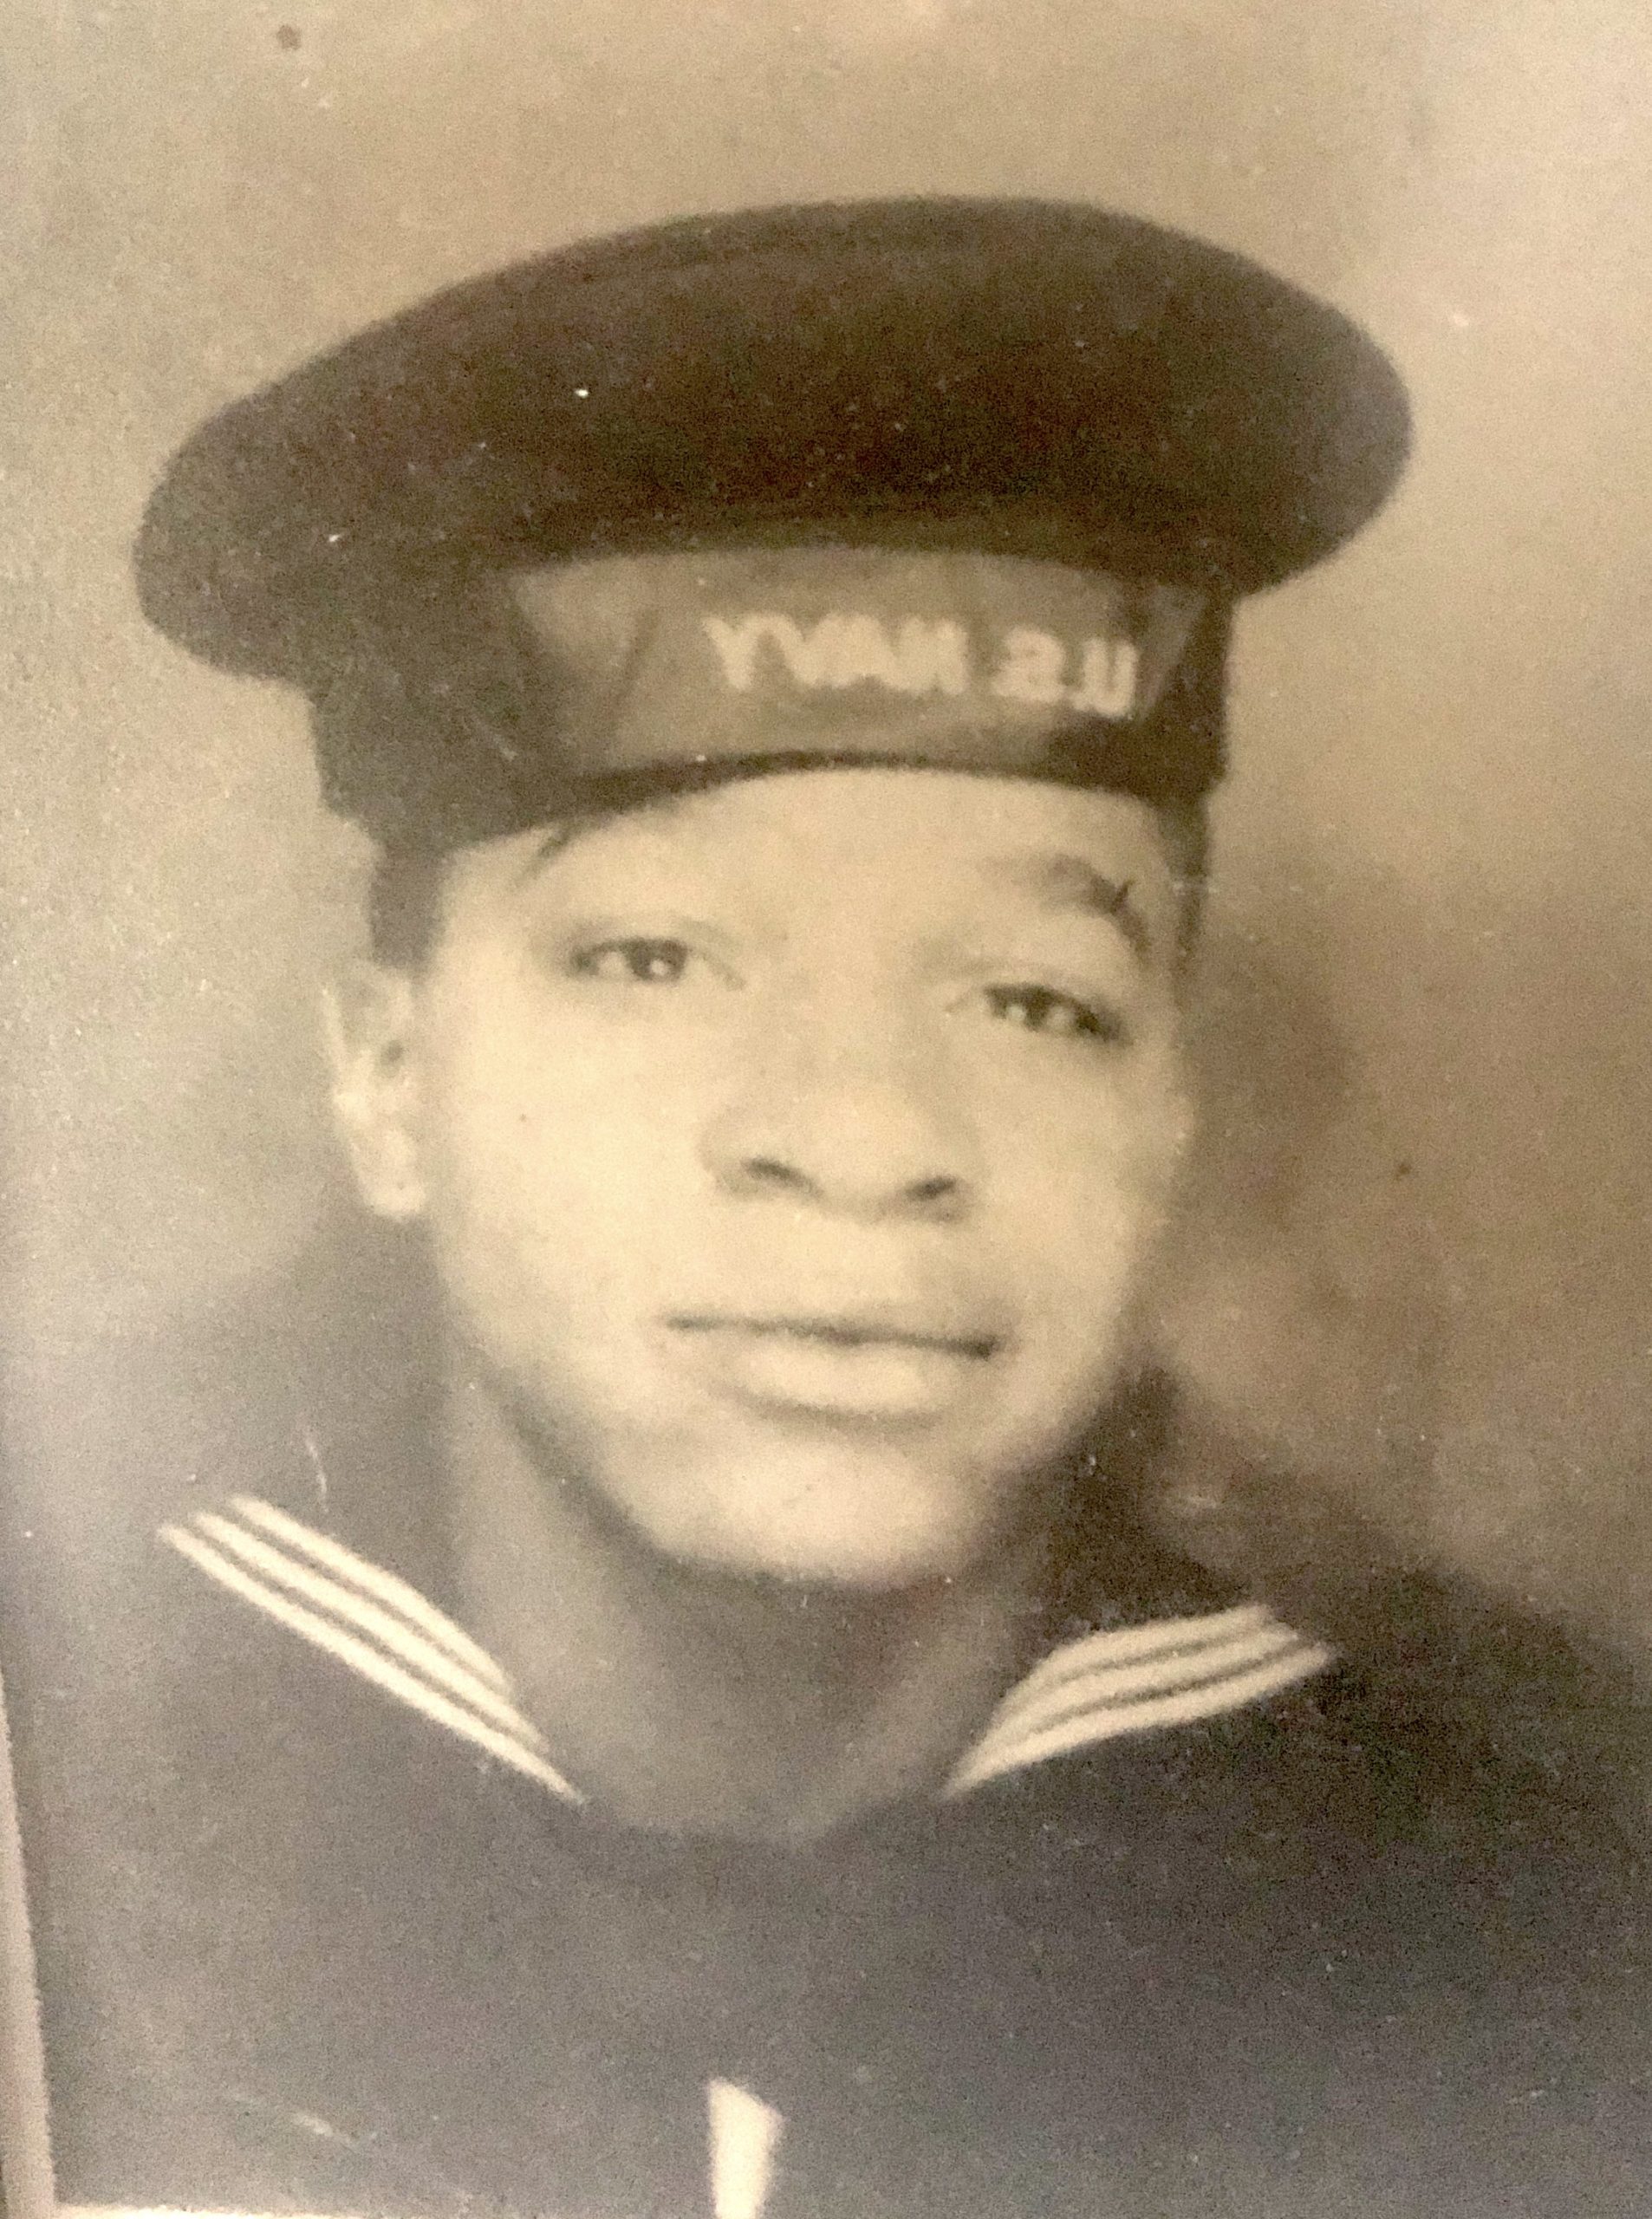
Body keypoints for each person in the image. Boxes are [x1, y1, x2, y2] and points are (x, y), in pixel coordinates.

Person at [3, 197, 1646, 2219]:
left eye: (1033, 996)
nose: (864, 1135)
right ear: (387, 1076)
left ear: (1166, 1101)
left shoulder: (1529, 1921)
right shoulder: (77, 1804)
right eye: (655, 956)